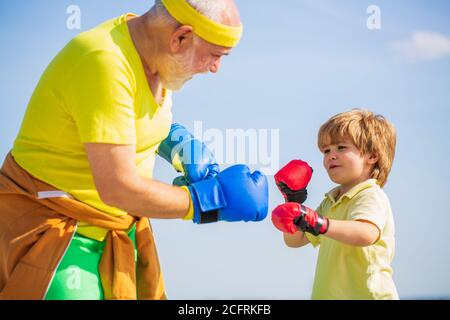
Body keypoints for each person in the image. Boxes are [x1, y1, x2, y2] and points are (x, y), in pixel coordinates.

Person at [0, 0, 268, 300]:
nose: (216, 68)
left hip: (115, 231)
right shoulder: (103, 61)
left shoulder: (155, 58)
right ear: (180, 37)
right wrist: (209, 200)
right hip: (59, 234)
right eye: (216, 55)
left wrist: (175, 142)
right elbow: (118, 187)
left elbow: (119, 117)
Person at [271, 109, 399, 300]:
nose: (331, 155)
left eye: (341, 148)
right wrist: (294, 204)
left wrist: (320, 223)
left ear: (372, 156)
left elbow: (366, 233)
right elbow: (294, 241)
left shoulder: (370, 195)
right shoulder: (331, 201)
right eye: (326, 151)